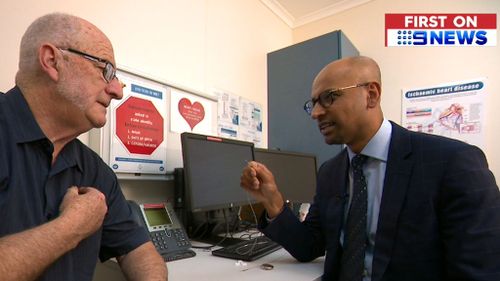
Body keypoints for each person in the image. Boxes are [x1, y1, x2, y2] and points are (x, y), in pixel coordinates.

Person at [240, 56, 500, 281]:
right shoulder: (331, 172)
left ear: (371, 95)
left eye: (329, 97)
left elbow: (480, 272)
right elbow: (309, 246)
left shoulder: (453, 163)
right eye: (313, 103)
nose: (316, 113)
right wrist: (273, 201)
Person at [0, 13, 167, 281]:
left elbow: (138, 250)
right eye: (105, 70)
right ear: (52, 61)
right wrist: (72, 227)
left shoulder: (95, 170)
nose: (117, 91)